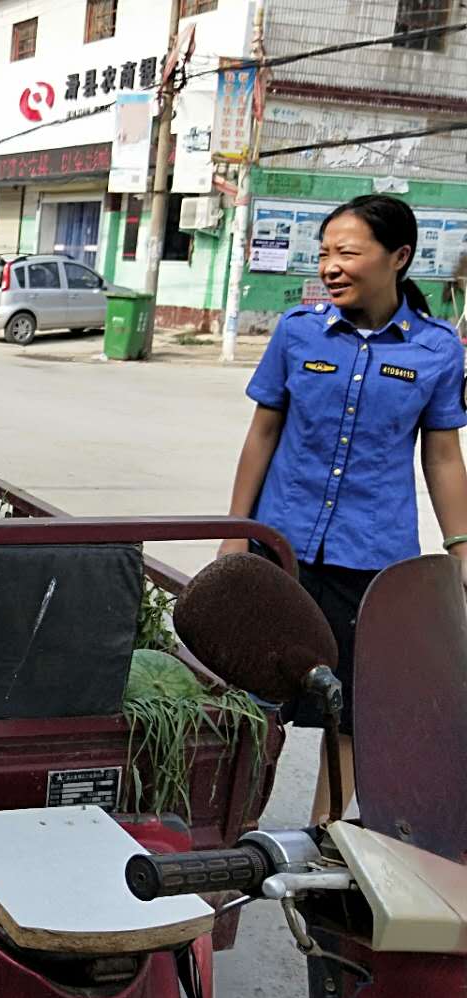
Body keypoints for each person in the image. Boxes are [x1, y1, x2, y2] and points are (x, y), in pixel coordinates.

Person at [220, 194, 467, 824]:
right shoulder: (297, 332)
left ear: (399, 257)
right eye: (325, 252)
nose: (330, 266)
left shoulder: (437, 348)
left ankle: (321, 837)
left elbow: (442, 456)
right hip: (280, 549)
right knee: (256, 704)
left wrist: (461, 546)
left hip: (372, 559)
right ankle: (236, 830)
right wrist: (235, 533)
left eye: (348, 252)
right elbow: (263, 434)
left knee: (352, 712)